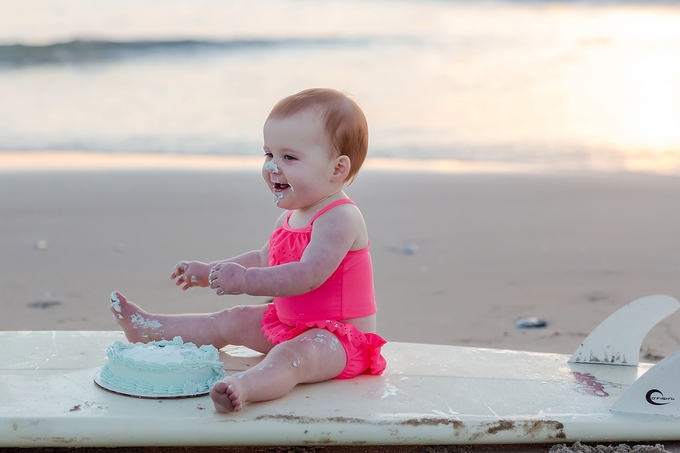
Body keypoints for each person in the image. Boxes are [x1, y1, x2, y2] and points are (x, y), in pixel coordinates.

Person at [110, 88, 386, 413]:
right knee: (232, 319)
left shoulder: (340, 217)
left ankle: (243, 388)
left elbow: (308, 276)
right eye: (269, 154)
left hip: (340, 341)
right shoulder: (292, 216)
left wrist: (244, 281)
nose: (272, 167)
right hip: (291, 324)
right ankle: (150, 328)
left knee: (291, 357)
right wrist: (209, 270)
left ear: (337, 169)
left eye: (290, 157)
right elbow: (263, 260)